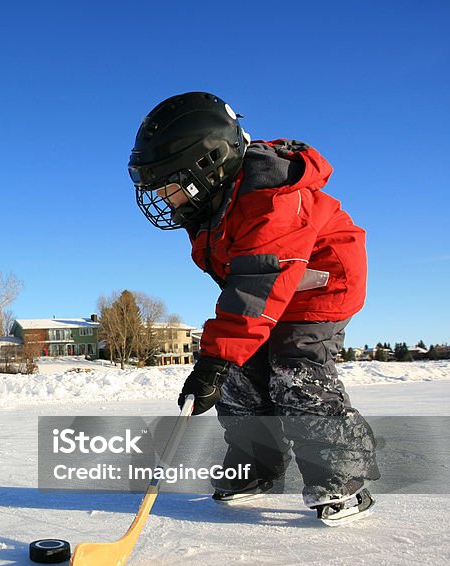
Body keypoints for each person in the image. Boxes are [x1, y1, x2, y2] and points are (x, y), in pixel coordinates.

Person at [127, 91, 379, 526]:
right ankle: (255, 469)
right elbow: (246, 288)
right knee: (241, 375)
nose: (168, 200)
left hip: (322, 284)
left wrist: (213, 360)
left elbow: (254, 287)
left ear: (209, 164)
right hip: (268, 288)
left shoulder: (270, 200)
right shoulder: (212, 207)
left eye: (172, 187)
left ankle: (343, 477)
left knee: (294, 367)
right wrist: (226, 360)